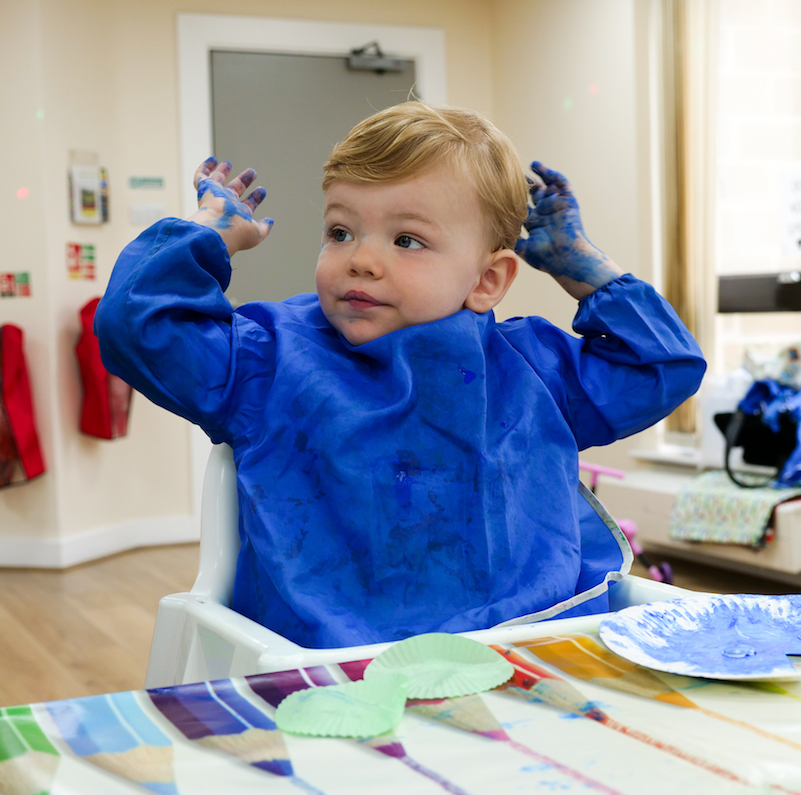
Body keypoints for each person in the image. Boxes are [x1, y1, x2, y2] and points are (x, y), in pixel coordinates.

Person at [95, 102, 705, 649]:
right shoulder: (267, 360)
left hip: (534, 646)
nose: (361, 258)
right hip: (339, 664)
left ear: (487, 281)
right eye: (340, 231)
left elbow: (663, 367)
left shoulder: (533, 368)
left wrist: (584, 267)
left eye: (407, 239)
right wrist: (203, 235)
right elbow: (133, 325)